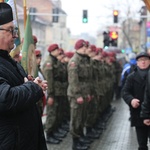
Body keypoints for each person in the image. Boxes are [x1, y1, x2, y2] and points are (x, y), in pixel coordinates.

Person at [0, 2, 48, 150]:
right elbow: (5, 99)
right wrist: (33, 88)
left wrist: (30, 83)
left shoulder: (6, 59)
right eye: (10, 30)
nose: (15, 36)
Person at [122, 52, 150, 150]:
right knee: (142, 144)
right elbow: (125, 92)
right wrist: (131, 100)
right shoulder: (132, 77)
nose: (143, 62)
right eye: (140, 60)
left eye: (145, 60)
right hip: (138, 113)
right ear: (137, 62)